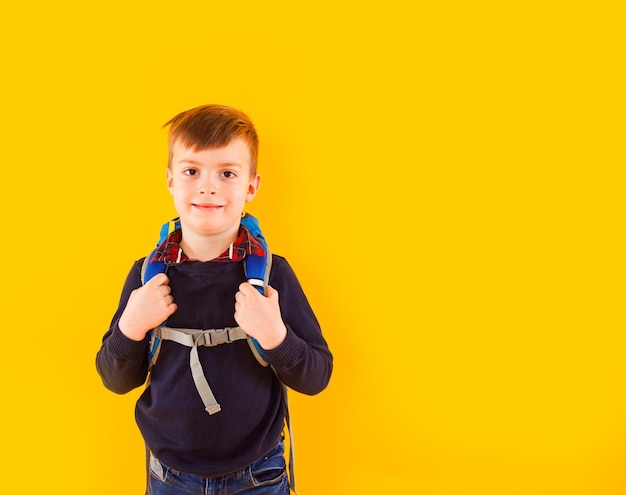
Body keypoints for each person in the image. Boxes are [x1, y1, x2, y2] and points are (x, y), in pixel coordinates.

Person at [96, 104, 333, 495]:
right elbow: (115, 379)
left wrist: (276, 336)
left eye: (227, 173)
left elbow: (317, 376)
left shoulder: (272, 277)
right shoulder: (146, 276)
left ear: (251, 187)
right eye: (192, 171)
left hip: (258, 474)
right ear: (171, 181)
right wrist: (131, 325)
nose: (208, 187)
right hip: (169, 477)